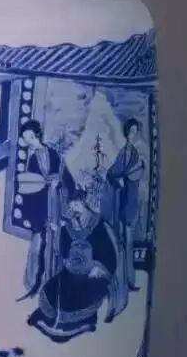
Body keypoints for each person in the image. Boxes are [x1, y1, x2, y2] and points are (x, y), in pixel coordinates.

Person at [27, 194, 118, 343]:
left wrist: (97, 267)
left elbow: (109, 255)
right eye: (71, 207)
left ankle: (80, 321)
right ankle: (51, 319)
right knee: (53, 289)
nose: (73, 209)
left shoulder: (99, 225)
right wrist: (56, 234)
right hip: (71, 271)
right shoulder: (68, 228)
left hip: (94, 273)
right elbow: (63, 251)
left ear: (83, 202)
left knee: (83, 293)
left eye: (75, 205)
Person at [16, 120, 74, 298]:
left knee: (57, 244)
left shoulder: (53, 154)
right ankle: (37, 283)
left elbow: (67, 177)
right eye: (25, 139)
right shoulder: (33, 160)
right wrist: (35, 217)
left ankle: (56, 281)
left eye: (29, 136)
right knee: (40, 246)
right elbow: (30, 188)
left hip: (56, 204)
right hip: (42, 208)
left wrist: (59, 182)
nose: (28, 141)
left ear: (36, 135)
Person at [106, 118, 146, 292]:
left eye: (135, 132)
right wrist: (119, 180)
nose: (133, 135)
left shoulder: (135, 153)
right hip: (121, 202)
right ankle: (121, 280)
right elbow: (111, 174)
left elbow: (136, 174)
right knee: (121, 242)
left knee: (128, 243)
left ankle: (129, 280)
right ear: (126, 133)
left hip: (131, 202)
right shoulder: (122, 153)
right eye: (131, 131)